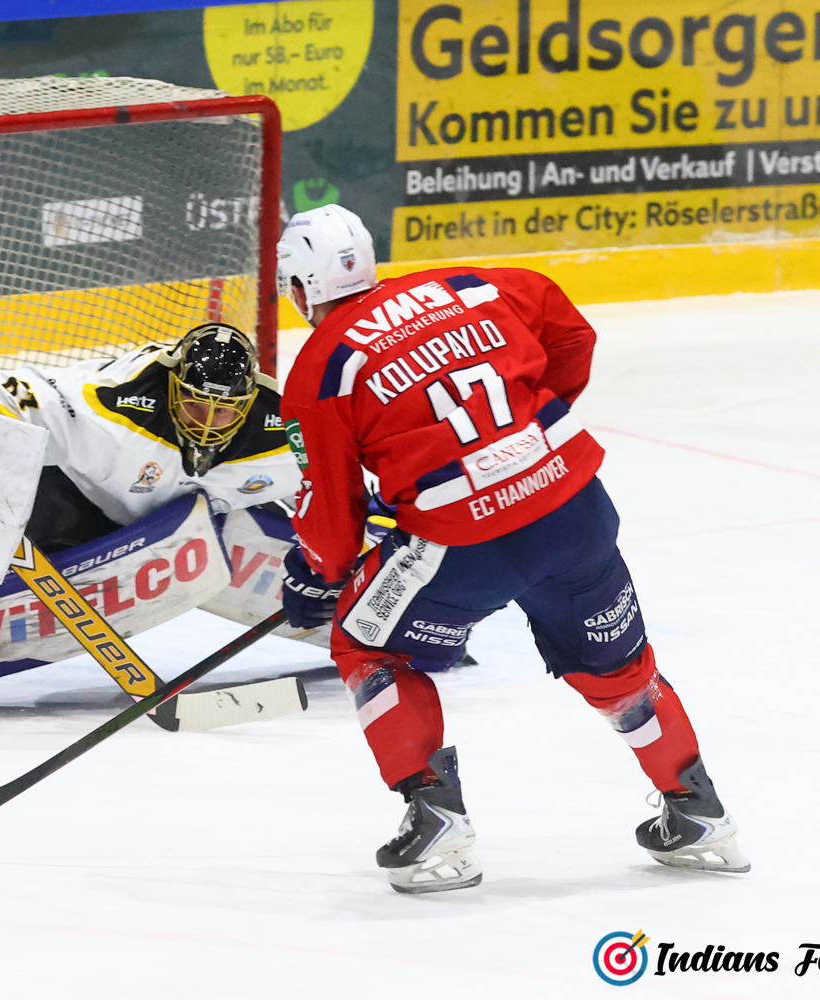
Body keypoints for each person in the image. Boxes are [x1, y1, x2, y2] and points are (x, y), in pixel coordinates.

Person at [275, 205, 748, 894]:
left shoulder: (322, 367)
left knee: (366, 644)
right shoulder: (473, 285)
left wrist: (317, 573)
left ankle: (435, 819)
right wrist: (523, 436)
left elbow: (330, 517)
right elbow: (571, 333)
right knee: (618, 669)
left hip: (467, 541)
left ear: (298, 289)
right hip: (574, 508)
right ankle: (700, 813)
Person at [0, 322, 304, 715]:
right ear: (172, 385)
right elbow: (6, 391)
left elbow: (332, 483)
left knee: (247, 540)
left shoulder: (285, 431)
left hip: (185, 522)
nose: (207, 421)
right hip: (74, 503)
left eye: (222, 409)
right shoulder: (111, 405)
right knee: (36, 588)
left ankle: (348, 623)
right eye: (194, 403)